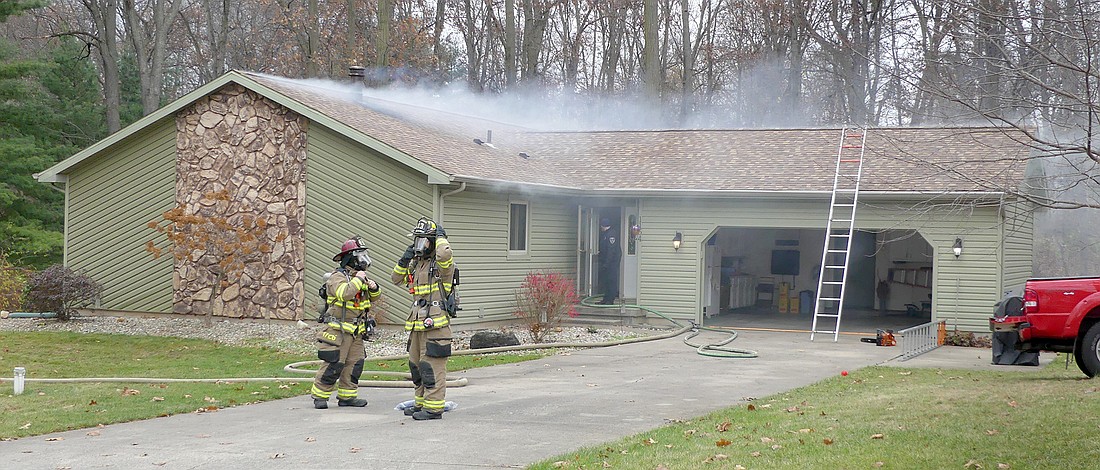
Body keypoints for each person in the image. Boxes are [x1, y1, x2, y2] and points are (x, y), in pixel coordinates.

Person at [391, 217, 456, 420]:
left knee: (431, 367)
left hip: (436, 327)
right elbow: (395, 279)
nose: (420, 246)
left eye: (423, 241)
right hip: (417, 325)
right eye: (417, 241)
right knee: (417, 367)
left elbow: (445, 252)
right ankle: (421, 404)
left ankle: (434, 409)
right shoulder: (418, 265)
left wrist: (440, 237)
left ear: (433, 243)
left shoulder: (442, 266)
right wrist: (404, 259)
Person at [310, 236, 381, 409]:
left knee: (355, 364)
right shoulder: (337, 277)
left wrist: (373, 288)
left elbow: (372, 298)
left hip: (356, 331)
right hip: (338, 330)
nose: (363, 260)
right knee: (334, 364)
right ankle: (320, 396)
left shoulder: (358, 278)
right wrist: (359, 280)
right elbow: (344, 293)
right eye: (360, 255)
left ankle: (347, 396)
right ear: (350, 258)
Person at [597, 218, 621, 305]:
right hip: (606, 263)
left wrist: (607, 264)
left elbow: (611, 251)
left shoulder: (611, 235)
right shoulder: (605, 234)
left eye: (601, 226)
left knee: (611, 281)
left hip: (611, 263)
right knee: (606, 281)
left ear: (603, 226)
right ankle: (605, 299)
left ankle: (610, 300)